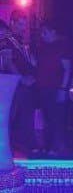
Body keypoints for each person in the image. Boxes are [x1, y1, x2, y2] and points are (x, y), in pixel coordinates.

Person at [35, 20, 71, 155]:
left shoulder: (62, 47)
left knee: (57, 117)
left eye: (45, 32)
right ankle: (49, 146)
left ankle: (58, 147)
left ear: (53, 32)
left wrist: (63, 89)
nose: (42, 35)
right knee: (48, 117)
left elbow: (67, 69)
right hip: (43, 86)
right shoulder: (43, 47)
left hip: (55, 87)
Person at [4, 12, 36, 155]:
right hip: (13, 83)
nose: (24, 27)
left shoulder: (23, 41)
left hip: (27, 82)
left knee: (26, 113)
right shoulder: (6, 40)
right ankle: (9, 145)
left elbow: (29, 60)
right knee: (11, 114)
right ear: (12, 22)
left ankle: (25, 145)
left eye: (25, 24)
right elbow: (8, 62)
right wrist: (21, 78)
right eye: (21, 24)